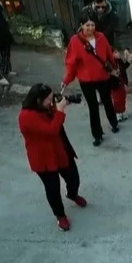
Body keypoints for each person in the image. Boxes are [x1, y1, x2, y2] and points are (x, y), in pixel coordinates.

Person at [18, 84, 87, 231]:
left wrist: (62, 104)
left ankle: (72, 193)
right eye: (49, 99)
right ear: (38, 100)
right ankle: (60, 216)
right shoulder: (26, 116)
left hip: (60, 150)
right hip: (43, 157)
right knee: (53, 188)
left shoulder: (46, 107)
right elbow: (51, 130)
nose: (52, 102)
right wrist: (60, 111)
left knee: (73, 177)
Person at [61, 12, 120, 147]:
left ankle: (114, 123)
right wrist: (67, 79)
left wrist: (114, 69)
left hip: (103, 76)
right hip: (86, 80)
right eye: (87, 25)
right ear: (81, 25)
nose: (90, 28)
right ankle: (97, 134)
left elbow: (109, 56)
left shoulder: (101, 37)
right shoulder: (75, 41)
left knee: (107, 102)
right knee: (93, 107)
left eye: (92, 25)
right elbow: (71, 63)